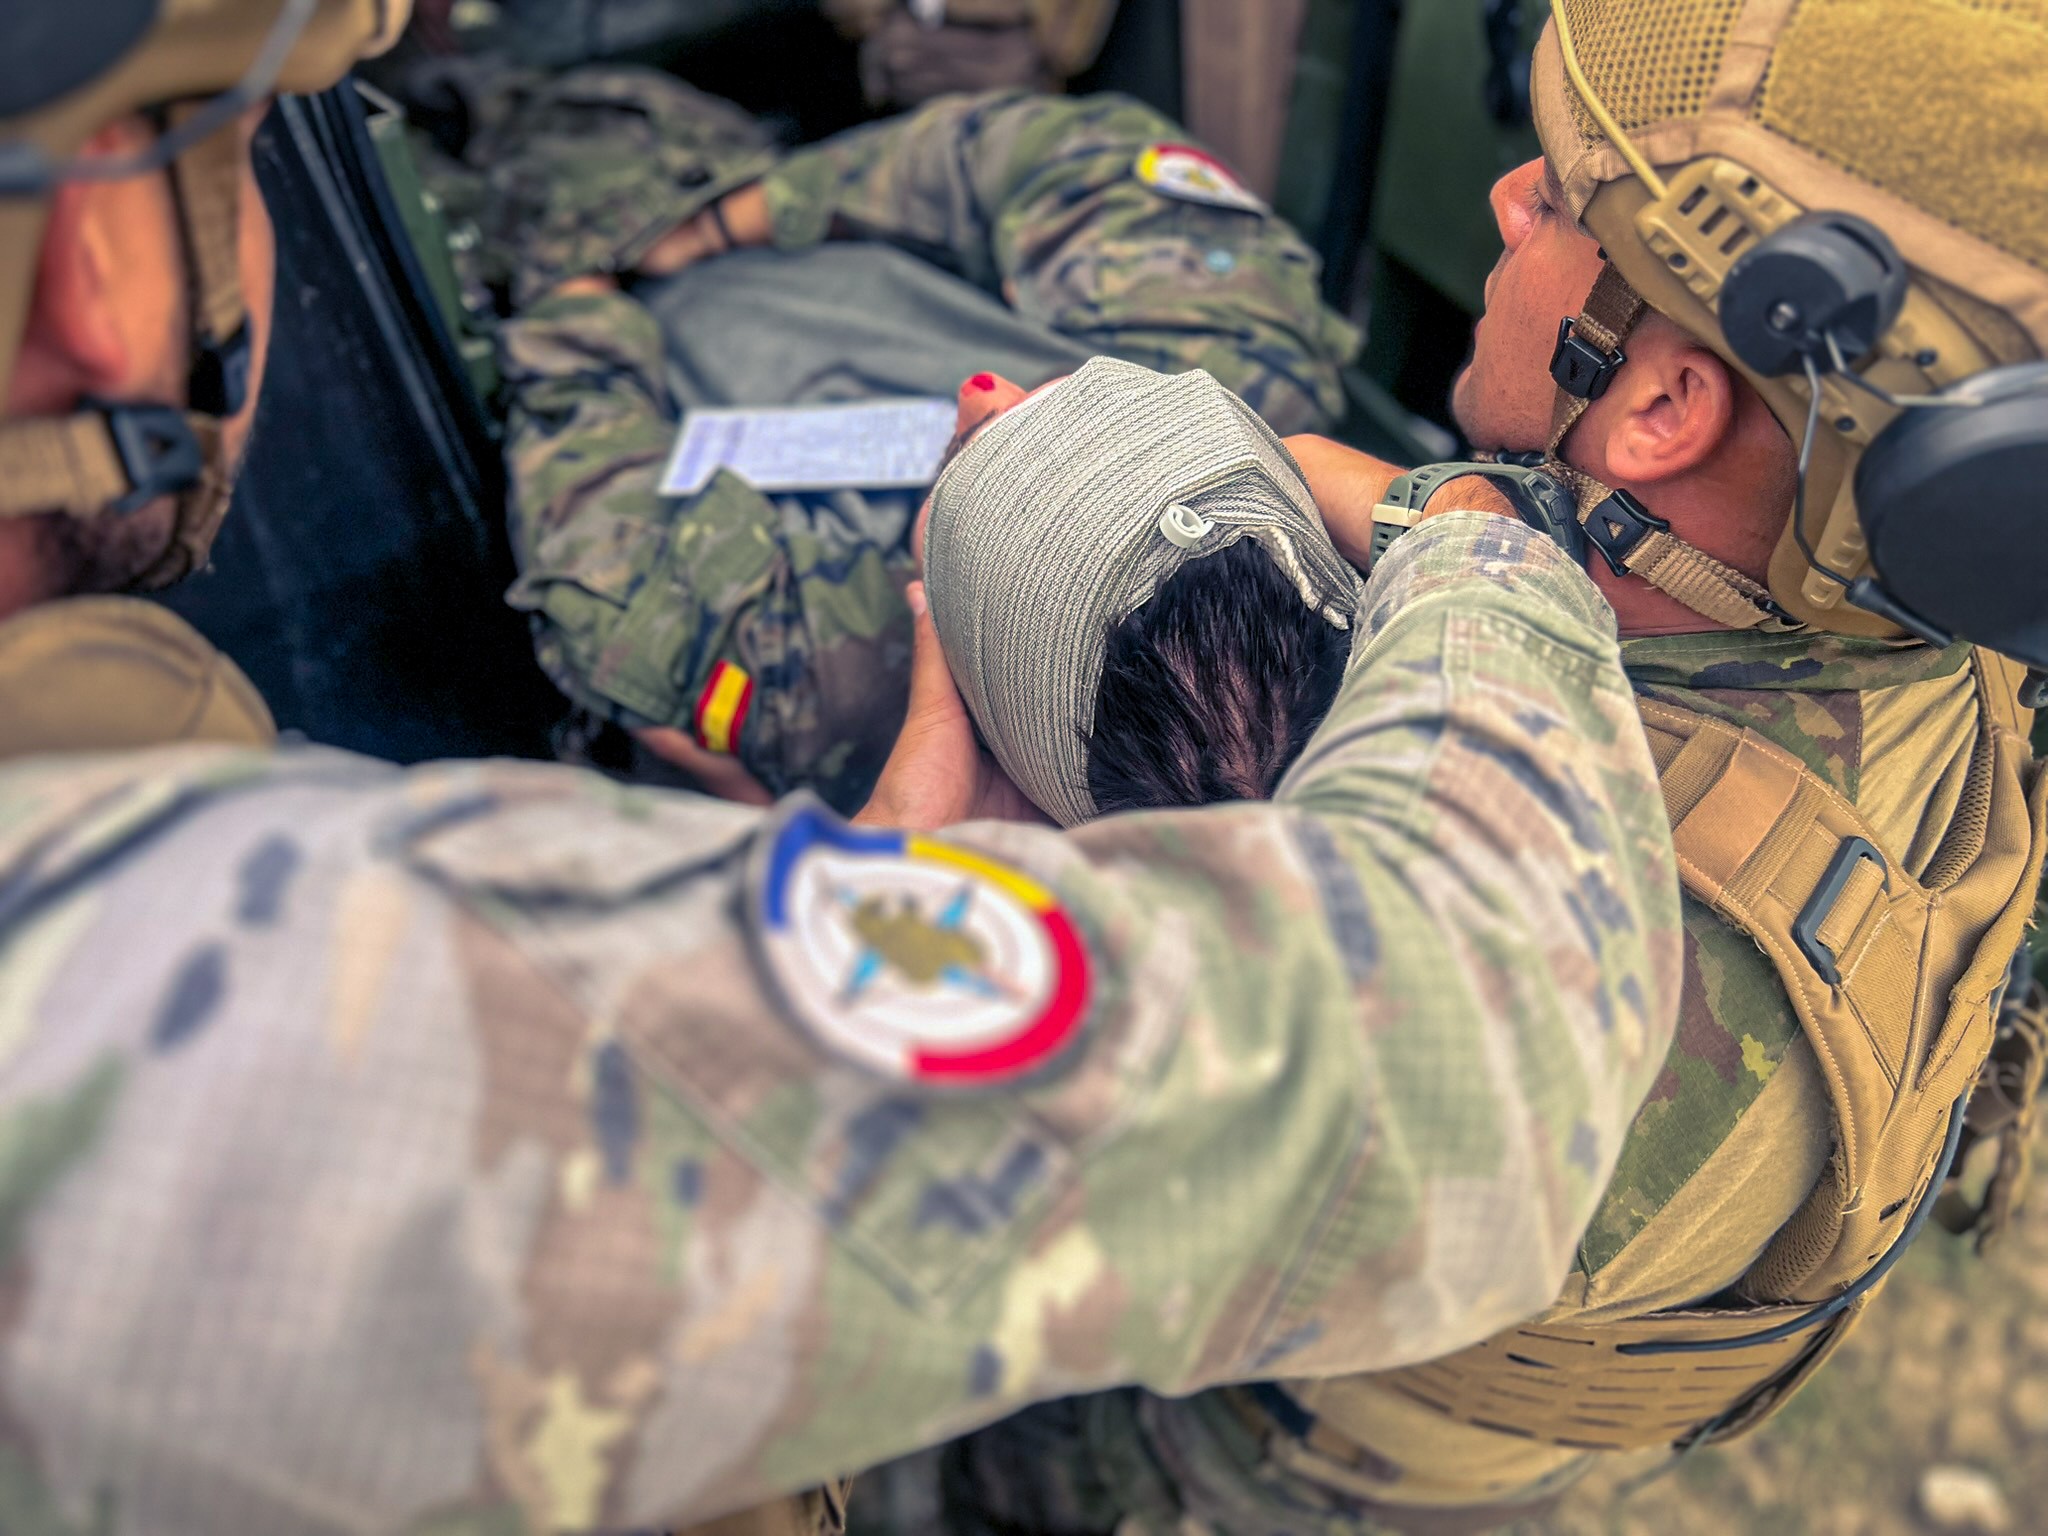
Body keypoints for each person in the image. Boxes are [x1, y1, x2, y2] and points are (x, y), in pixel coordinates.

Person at [0, 4, 1683, 1535]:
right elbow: (1470, 1046)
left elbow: (596, 561)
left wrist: (602, 300)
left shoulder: (782, 660)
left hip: (619, 219)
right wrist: (1470, 539)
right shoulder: (1217, 369)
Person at [841, 0, 2048, 1529]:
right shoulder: (1865, 587)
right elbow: (1465, 509)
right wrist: (1386, 502)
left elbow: (967, 1164)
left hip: (1287, 1439)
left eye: (1553, 194)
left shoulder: (1595, 995)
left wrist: (918, 854)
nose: (1506, 199)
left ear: (1665, 411)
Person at [423, 68, 1359, 811]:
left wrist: (578, 298)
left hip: (570, 298)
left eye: (993, 470)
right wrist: (722, 223)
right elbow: (1053, 149)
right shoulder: (1249, 360)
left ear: (965, 652)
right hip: (708, 211)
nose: (986, 400)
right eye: (1091, 412)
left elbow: (592, 494)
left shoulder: (810, 671)